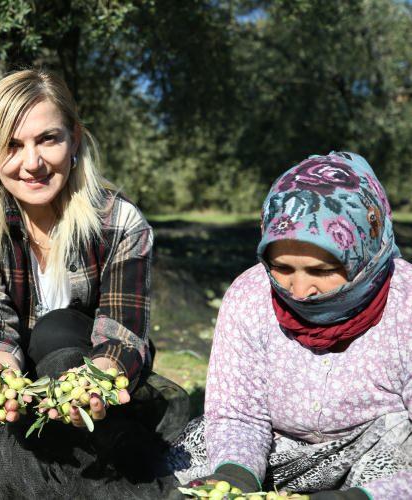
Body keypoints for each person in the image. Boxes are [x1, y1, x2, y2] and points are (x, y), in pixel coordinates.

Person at [0, 69, 188, 499]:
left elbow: (122, 330)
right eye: (12, 145)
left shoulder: (120, 223)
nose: (32, 163)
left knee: (59, 331)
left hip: (95, 389)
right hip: (20, 390)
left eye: (48, 139)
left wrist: (97, 380)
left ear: (75, 139)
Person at [168, 152, 412, 499]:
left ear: (364, 249)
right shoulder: (250, 296)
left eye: (321, 271)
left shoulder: (406, 304)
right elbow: (238, 415)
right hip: (278, 450)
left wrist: (358, 497)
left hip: (381, 457)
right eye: (282, 268)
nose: (299, 291)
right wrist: (236, 477)